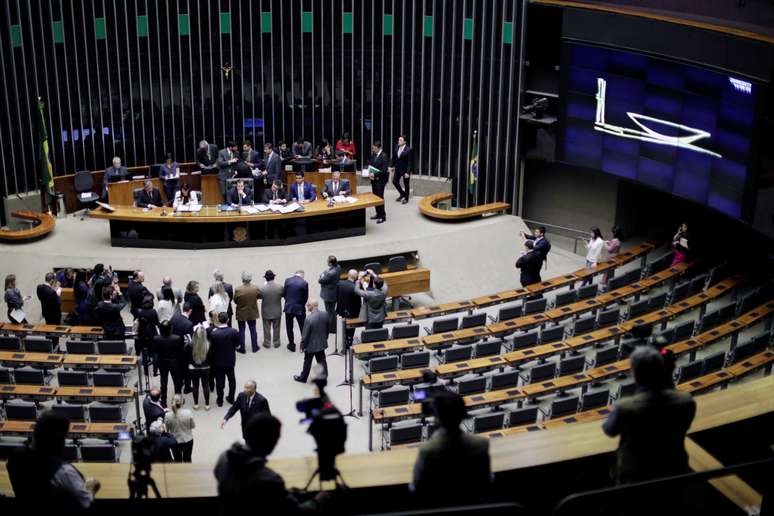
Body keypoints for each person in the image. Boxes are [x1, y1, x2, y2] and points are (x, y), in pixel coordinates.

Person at [602, 346, 696, 484]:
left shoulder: (625, 407)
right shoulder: (686, 401)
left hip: (635, 476)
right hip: (674, 470)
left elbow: (609, 430)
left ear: (634, 373)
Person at [214, 413, 326, 513]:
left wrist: (283, 493)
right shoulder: (270, 480)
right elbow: (296, 513)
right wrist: (317, 501)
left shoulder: (223, 458)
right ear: (271, 443)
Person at [7, 411, 101, 512]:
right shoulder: (63, 471)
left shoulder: (15, 456)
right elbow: (86, 501)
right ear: (59, 439)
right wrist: (91, 487)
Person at [411, 391, 491, 504]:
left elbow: (417, 486)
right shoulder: (482, 445)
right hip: (472, 505)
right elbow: (485, 481)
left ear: (437, 417)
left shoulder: (427, 450)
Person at [208, 312, 239, 406]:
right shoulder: (233, 331)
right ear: (228, 320)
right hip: (230, 360)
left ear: (218, 320)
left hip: (218, 361)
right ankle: (231, 398)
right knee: (232, 380)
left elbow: (211, 349)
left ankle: (220, 400)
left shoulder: (214, 334)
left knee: (219, 381)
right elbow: (238, 346)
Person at [293, 300, 329, 383]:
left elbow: (305, 335)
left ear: (312, 306)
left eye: (308, 305)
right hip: (321, 343)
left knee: (307, 362)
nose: (306, 306)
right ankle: (324, 377)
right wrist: (325, 338)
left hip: (310, 345)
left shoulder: (309, 319)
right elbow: (327, 328)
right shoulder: (325, 314)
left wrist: (302, 346)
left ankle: (303, 378)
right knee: (322, 360)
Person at [154, 322, 184, 407]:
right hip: (174, 362)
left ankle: (163, 402)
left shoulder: (156, 339)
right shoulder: (176, 338)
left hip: (162, 362)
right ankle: (177, 402)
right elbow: (180, 351)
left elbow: (155, 351)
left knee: (163, 382)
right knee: (177, 382)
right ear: (170, 329)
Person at [164, 394, 196, 462]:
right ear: (182, 402)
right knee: (187, 459)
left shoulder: (167, 415)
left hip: (175, 441)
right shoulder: (188, 413)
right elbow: (193, 426)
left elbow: (166, 429)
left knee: (177, 460)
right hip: (187, 440)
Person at [283, 270, 309, 352]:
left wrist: (288, 301)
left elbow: (284, 293)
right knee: (303, 327)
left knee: (289, 327)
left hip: (288, 307)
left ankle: (291, 345)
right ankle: (304, 346)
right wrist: (302, 304)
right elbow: (305, 297)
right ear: (302, 275)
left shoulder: (287, 280)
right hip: (299, 307)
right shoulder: (304, 283)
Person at [234, 271, 259, 354]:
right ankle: (254, 347)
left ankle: (242, 348)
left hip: (241, 312)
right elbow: (260, 296)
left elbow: (235, 300)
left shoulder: (238, 289)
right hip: (252, 311)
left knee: (241, 330)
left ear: (242, 279)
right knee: (253, 329)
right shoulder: (255, 288)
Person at [135, 293, 160, 377]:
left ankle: (145, 371)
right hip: (152, 334)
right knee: (154, 353)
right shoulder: (153, 311)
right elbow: (156, 323)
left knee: (144, 353)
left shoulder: (140, 312)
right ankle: (155, 371)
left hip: (142, 335)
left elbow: (138, 322)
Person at [187, 324, 211, 410]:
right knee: (205, 386)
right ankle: (207, 404)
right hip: (205, 368)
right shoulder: (208, 345)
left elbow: (188, 357)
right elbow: (211, 357)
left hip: (193, 368)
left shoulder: (190, 345)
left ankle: (196, 404)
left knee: (195, 385)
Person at [258, 270, 283, 349]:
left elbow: (258, 297)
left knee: (266, 328)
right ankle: (276, 342)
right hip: (277, 311)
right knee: (277, 328)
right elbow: (283, 294)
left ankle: (267, 343)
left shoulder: (262, 288)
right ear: (274, 277)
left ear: (266, 278)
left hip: (266, 311)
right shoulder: (280, 287)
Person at [337, 269, 361, 349]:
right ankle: (348, 342)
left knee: (344, 325)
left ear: (348, 275)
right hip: (352, 312)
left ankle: (345, 340)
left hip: (342, 309)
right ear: (356, 277)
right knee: (351, 327)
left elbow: (337, 297)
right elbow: (358, 303)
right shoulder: (355, 288)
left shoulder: (340, 284)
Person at [318, 256, 341, 334]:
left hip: (328, 295)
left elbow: (320, 280)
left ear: (331, 263)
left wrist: (322, 274)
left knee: (330, 312)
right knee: (332, 311)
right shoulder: (338, 267)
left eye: (327, 261)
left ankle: (331, 328)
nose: (326, 262)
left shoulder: (330, 274)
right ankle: (333, 327)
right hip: (334, 292)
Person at [368, 141, 389, 223]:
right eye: (373, 148)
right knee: (375, 197)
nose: (374, 150)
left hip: (381, 180)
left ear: (379, 148)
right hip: (373, 179)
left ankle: (382, 216)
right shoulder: (374, 154)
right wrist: (369, 172)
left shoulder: (384, 156)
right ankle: (377, 213)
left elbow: (384, 170)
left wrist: (374, 174)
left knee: (380, 197)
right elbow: (370, 163)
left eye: (375, 148)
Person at [391, 134, 414, 204]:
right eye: (398, 140)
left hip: (405, 170)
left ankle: (406, 198)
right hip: (397, 169)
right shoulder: (396, 147)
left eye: (400, 140)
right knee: (394, 181)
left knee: (406, 184)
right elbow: (394, 158)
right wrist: (391, 166)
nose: (399, 141)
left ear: (405, 142)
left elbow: (410, 162)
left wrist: (408, 172)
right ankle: (402, 194)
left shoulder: (408, 150)